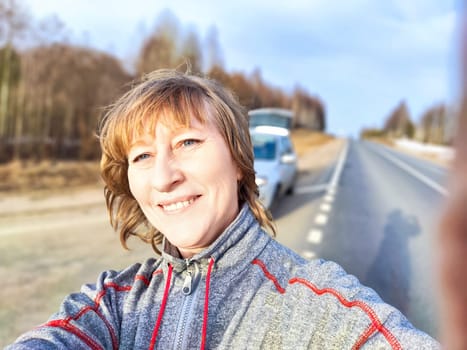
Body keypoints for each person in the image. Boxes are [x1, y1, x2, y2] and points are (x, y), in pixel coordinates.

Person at [6, 69, 439, 349]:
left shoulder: (319, 307)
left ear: (238, 161)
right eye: (141, 157)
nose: (163, 177)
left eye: (187, 143)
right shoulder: (116, 304)